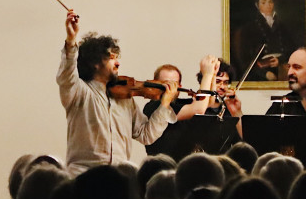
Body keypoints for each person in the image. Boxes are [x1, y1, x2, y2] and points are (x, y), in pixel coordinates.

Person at [57, 10, 178, 176]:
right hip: (83, 176)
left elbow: (146, 135)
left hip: (119, 178)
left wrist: (164, 104)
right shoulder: (80, 92)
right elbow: (66, 75)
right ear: (94, 63)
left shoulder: (125, 99)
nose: (118, 63)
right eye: (111, 57)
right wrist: (71, 40)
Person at [143, 58, 220, 156]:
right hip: (161, 163)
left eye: (174, 84)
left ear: (180, 86)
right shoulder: (154, 106)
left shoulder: (179, 104)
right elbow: (199, 109)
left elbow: (209, 102)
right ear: (155, 84)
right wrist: (207, 75)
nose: (170, 88)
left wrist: (213, 75)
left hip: (183, 162)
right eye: (166, 83)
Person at [235, 0, 300, 82]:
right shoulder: (249, 28)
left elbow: (292, 49)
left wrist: (279, 60)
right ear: (257, 5)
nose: (268, 5)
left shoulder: (282, 25)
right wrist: (265, 74)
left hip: (282, 66)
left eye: (270, 2)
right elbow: (245, 59)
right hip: (260, 72)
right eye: (263, 3)